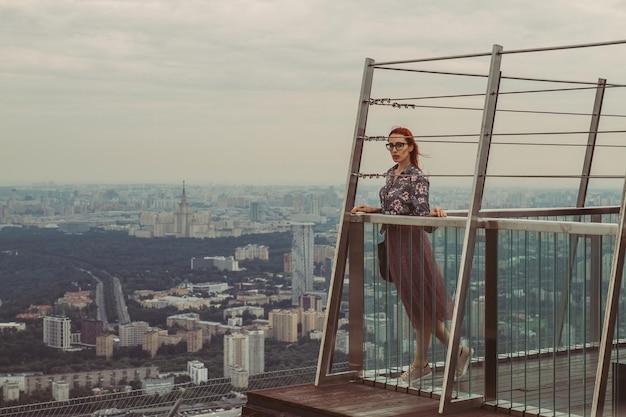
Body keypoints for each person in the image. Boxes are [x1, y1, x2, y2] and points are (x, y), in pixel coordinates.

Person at [351, 126, 472, 385]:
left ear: (410, 147)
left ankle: (421, 364)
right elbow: (394, 209)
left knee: (422, 306)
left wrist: (434, 213)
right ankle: (457, 351)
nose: (394, 150)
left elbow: (420, 214)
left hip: (412, 246)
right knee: (419, 305)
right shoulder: (390, 175)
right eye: (390, 146)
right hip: (395, 245)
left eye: (399, 145)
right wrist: (372, 209)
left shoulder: (417, 177)